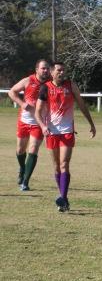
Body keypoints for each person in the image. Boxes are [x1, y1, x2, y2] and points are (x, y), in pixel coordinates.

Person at [35, 62, 96, 212]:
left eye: (63, 70)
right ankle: (64, 199)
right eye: (59, 70)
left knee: (64, 164)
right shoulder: (45, 88)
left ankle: (63, 196)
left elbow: (81, 105)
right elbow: (37, 112)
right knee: (56, 166)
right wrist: (43, 127)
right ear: (51, 72)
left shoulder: (71, 86)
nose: (62, 73)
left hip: (67, 131)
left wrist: (91, 123)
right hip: (51, 132)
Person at [8, 59, 51, 191]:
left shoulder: (51, 84)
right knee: (21, 150)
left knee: (33, 149)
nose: (46, 70)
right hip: (24, 121)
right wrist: (22, 104)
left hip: (39, 122)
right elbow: (12, 92)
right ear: (37, 69)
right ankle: (22, 168)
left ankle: (25, 181)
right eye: (43, 68)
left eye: (47, 68)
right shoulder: (28, 80)